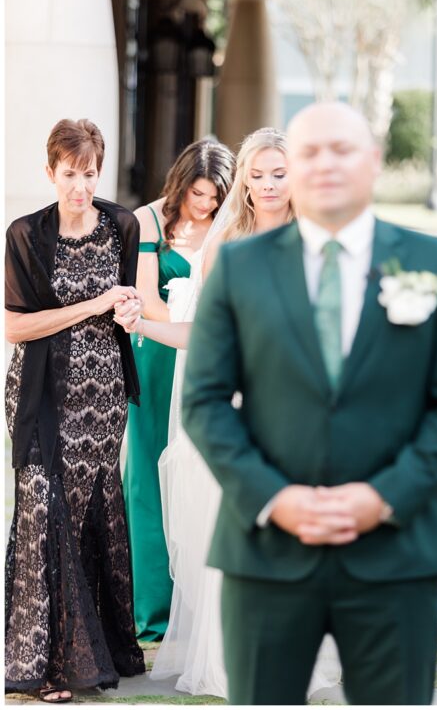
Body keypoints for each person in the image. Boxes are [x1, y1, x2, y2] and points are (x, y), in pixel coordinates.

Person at [181, 102, 437, 705]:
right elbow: (205, 400)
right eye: (308, 153)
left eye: (341, 149)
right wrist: (276, 497)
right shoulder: (239, 266)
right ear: (286, 168)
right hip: (268, 554)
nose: (324, 164)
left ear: (373, 162)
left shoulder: (436, 263)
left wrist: (383, 497)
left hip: (397, 553)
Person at [116, 128, 340, 698]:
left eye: (278, 173)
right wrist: (142, 323)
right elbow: (205, 333)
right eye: (257, 174)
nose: (267, 185)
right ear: (243, 180)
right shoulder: (227, 244)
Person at [4, 119, 146, 701]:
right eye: (70, 174)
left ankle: (92, 655)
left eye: (90, 174)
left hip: (102, 397)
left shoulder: (122, 226)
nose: (81, 186)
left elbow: (128, 309)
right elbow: (15, 325)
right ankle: (43, 664)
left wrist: (130, 313)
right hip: (40, 393)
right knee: (43, 507)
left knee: (89, 514)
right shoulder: (25, 235)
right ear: (50, 172)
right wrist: (92, 305)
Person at [123, 139, 235, 641]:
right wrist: (200, 318)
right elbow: (147, 300)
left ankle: (200, 605)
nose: (205, 204)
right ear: (181, 183)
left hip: (210, 361)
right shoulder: (148, 221)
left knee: (200, 475)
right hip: (158, 356)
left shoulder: (231, 225)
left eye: (214, 196)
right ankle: (153, 610)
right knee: (148, 471)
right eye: (197, 193)